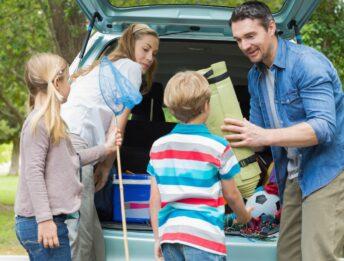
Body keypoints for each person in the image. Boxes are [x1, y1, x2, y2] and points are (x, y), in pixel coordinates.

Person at [223, 1, 344, 260]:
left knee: (318, 255)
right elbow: (257, 140)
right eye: (238, 39)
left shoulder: (307, 65)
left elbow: (323, 128)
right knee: (287, 255)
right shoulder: (255, 77)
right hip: (291, 175)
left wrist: (263, 135)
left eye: (250, 36)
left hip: (328, 172)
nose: (244, 46)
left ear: (271, 27)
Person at [61, 23, 159, 261]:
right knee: (81, 229)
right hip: (75, 143)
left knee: (91, 230)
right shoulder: (132, 69)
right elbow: (118, 123)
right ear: (129, 42)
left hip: (68, 139)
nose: (149, 58)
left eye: (154, 53)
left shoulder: (100, 67)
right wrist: (106, 165)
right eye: (145, 49)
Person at [14, 53, 122, 261]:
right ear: (56, 82)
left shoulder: (51, 122)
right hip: (42, 222)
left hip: (49, 221)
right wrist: (44, 221)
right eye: (69, 80)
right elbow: (33, 173)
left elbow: (73, 159)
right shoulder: (39, 123)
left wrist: (106, 148)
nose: (70, 85)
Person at [148, 71, 252, 261]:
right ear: (207, 106)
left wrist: (158, 238)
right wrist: (244, 216)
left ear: (171, 110)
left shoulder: (158, 147)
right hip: (204, 237)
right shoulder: (218, 146)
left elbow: (155, 199)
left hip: (170, 237)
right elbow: (232, 194)